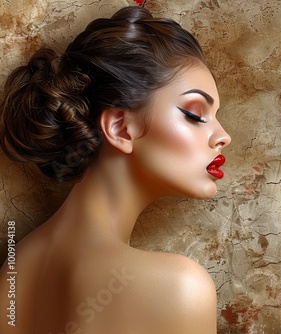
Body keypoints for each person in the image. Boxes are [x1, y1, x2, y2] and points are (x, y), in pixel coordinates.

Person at [0, 6, 231, 334]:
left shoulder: (19, 263)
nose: (223, 136)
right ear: (120, 128)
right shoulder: (179, 288)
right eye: (195, 114)